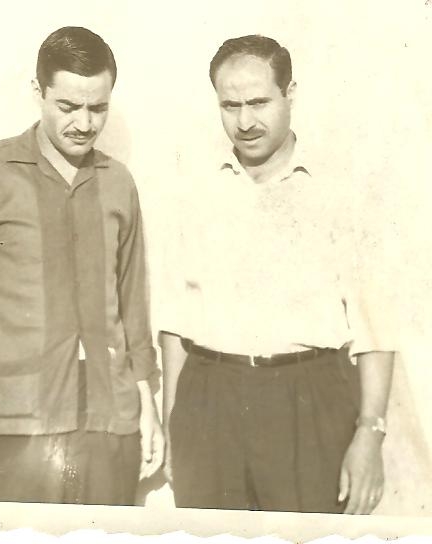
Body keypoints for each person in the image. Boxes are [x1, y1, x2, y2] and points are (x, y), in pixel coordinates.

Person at [0, 26, 164, 505]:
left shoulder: (118, 183)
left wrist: (147, 408)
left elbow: (133, 306)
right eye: (68, 107)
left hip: (108, 424)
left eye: (98, 108)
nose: (84, 123)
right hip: (13, 425)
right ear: (38, 91)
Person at [160, 34, 395, 514]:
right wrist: (172, 426)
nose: (245, 122)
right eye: (230, 106)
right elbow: (175, 323)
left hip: (307, 401)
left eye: (258, 103)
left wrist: (370, 433)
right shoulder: (194, 192)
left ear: (290, 94)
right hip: (209, 401)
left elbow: (377, 329)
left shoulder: (342, 193)